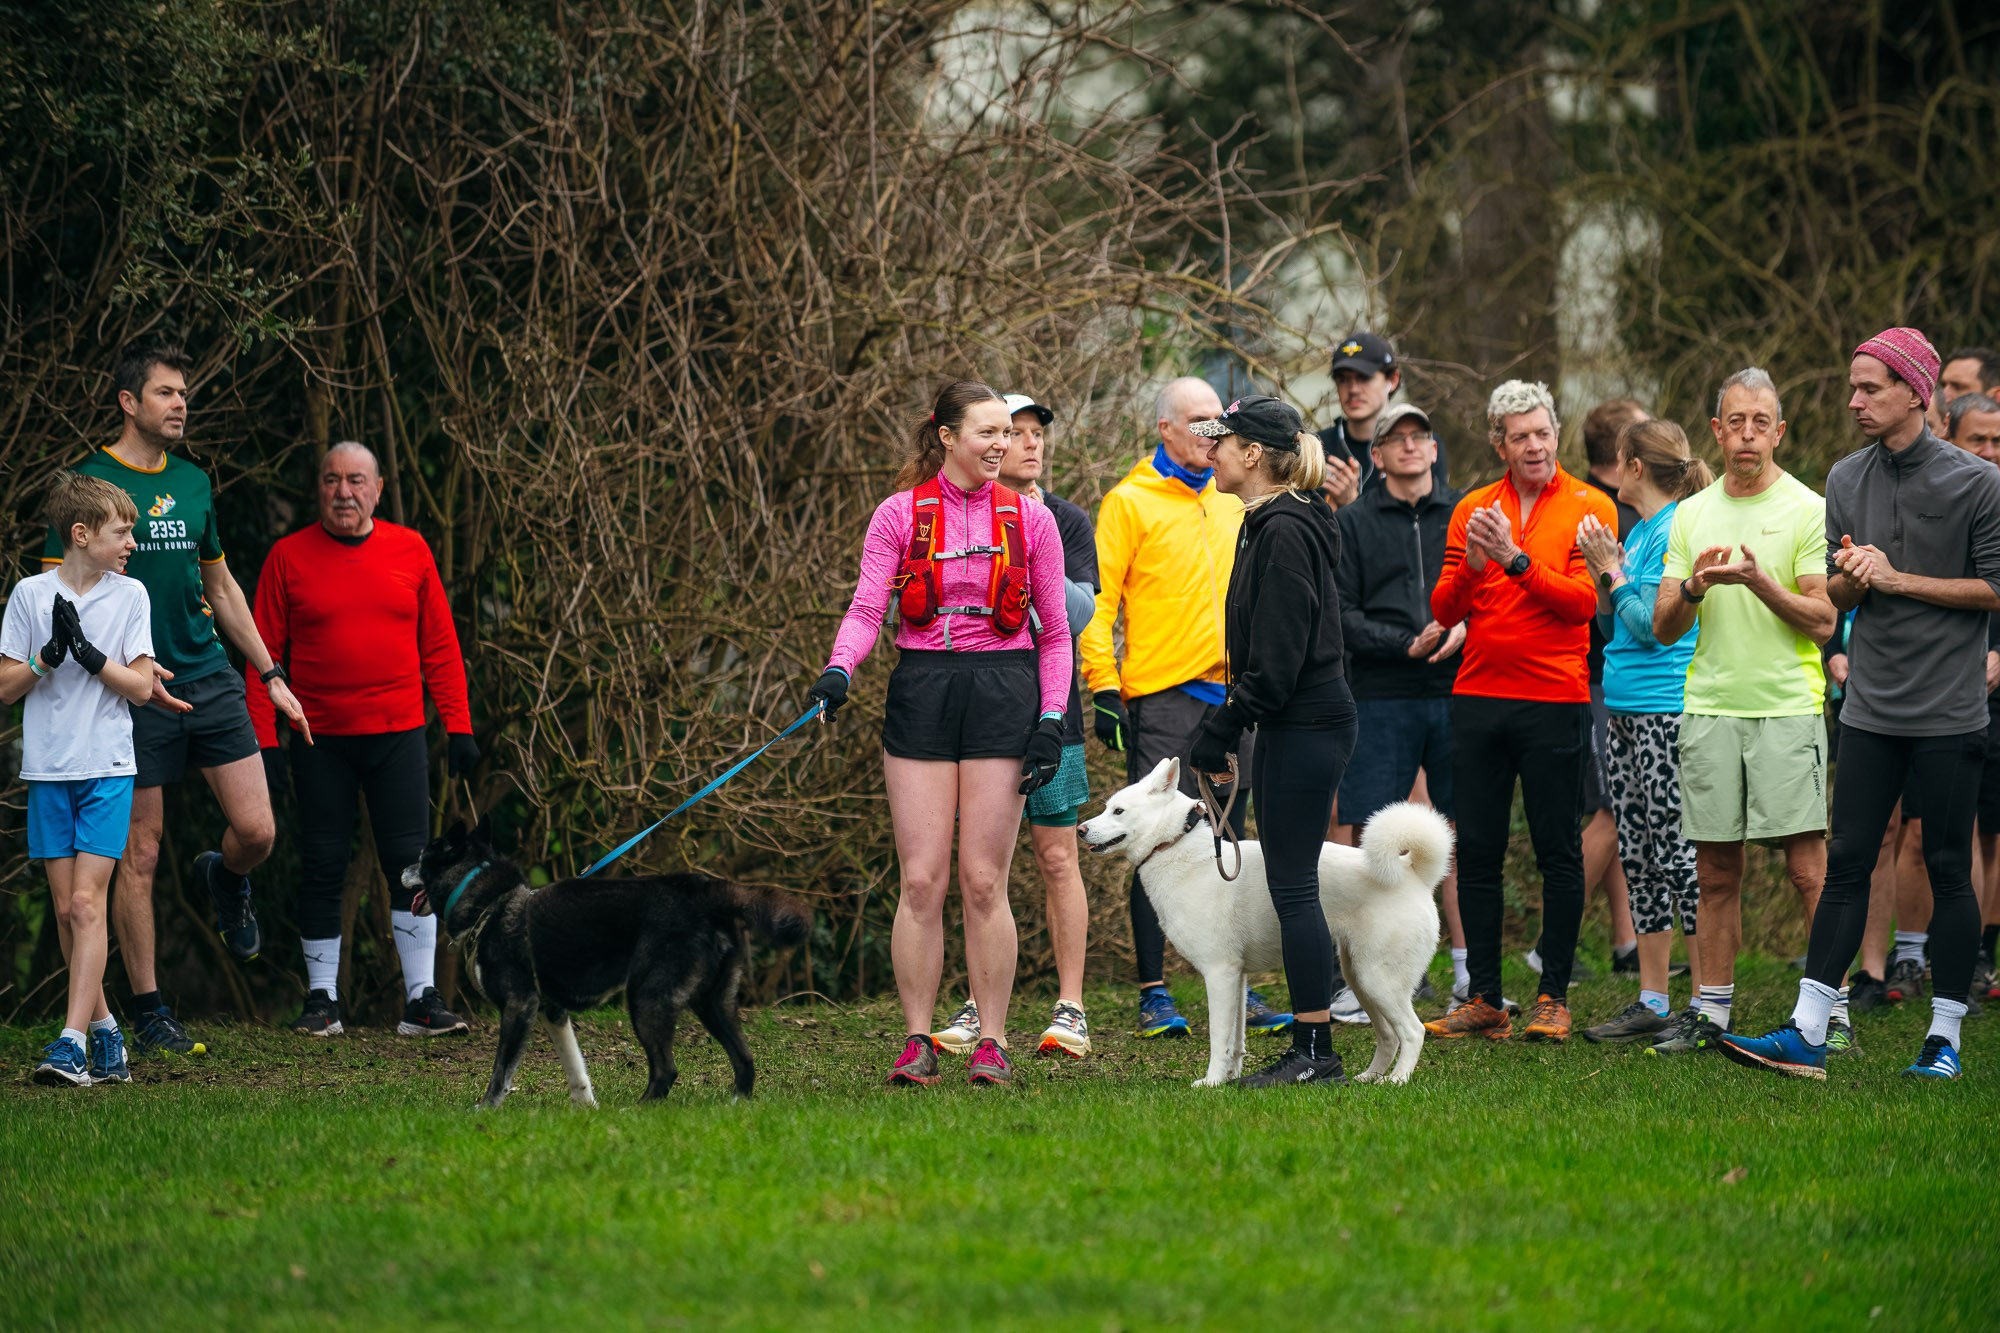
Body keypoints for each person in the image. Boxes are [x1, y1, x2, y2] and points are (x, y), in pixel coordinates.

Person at [1722, 329, 2000, 1081]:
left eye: (1871, 387)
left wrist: (1898, 576)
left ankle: (1944, 1038)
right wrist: (1847, 576)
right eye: (1852, 386)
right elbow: (1842, 592)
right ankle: (1809, 1026)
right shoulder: (1845, 477)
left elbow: (1993, 589)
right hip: (1869, 703)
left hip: (1948, 709)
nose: (1854, 400)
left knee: (1946, 865)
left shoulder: (1978, 482)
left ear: (1916, 391)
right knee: (1845, 861)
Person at [43, 344, 311, 1056]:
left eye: (183, 393)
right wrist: (120, 672)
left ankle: (225, 878)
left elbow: (220, 588)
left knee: (258, 831)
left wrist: (271, 673)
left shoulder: (194, 483)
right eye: (164, 392)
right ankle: (151, 1008)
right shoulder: (87, 483)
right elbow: (56, 597)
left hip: (209, 675)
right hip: (130, 690)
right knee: (141, 852)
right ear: (129, 402)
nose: (179, 404)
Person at [811, 380, 1072, 1088]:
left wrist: (1051, 720)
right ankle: (917, 1038)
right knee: (921, 879)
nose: (1003, 444)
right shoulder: (899, 514)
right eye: (987, 432)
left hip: (1003, 691)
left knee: (984, 879)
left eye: (1009, 433)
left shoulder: (1032, 520)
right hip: (923, 689)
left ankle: (991, 1039)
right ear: (947, 436)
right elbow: (868, 608)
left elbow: (1056, 636)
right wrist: (839, 670)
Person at [248, 442, 479, 1040]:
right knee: (323, 864)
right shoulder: (287, 557)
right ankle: (322, 1001)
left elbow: (441, 646)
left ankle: (422, 999)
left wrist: (459, 726)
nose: (343, 492)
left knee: (412, 867)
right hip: (317, 737)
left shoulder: (411, 550)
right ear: (318, 488)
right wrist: (265, 744)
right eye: (331, 480)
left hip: (397, 736)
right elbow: (261, 656)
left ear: (377, 488)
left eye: (355, 481)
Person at [1081, 377, 1283, 1040]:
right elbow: (1097, 602)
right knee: (1152, 841)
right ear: (1164, 428)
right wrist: (1103, 686)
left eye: (1215, 423)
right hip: (1161, 696)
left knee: (1229, 837)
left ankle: (1239, 990)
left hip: (1233, 696)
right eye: (1197, 421)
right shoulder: (1129, 501)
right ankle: (1153, 991)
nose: (1209, 433)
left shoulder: (1234, 499)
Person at [1650, 367, 1837, 1056]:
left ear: (1779, 431)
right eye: (1737, 421)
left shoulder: (1808, 507)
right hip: (1710, 708)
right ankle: (1713, 1012)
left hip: (1787, 707)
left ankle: (1830, 1013)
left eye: (1762, 421)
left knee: (1807, 871)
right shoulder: (1691, 515)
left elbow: (1823, 620)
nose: (1749, 434)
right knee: (1716, 872)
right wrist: (1696, 584)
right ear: (1717, 430)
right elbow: (1664, 625)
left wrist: (1760, 581)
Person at [1421, 380, 1615, 1043]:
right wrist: (1477, 563)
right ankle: (1484, 997)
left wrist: (1515, 559)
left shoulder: (1592, 507)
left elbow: (1582, 604)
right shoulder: (1473, 507)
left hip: (1556, 698)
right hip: (1478, 698)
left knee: (1557, 849)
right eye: (1520, 435)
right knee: (1475, 850)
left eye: (1542, 432)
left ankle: (1553, 996)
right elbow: (1446, 609)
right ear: (1497, 442)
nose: (1533, 445)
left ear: (1555, 434)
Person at [1185, 395, 1355, 1085]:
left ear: (1253, 453)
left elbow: (1277, 664)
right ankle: (1313, 1043)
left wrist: (1219, 727)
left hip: (1306, 721)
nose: (1210, 451)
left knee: (1291, 885)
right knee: (1292, 882)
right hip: (1299, 722)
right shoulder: (1268, 523)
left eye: (1220, 440)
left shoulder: (1284, 529)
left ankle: (1315, 1050)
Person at [933, 393, 1101, 1059]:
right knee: (982, 867)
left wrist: (1033, 538)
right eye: (1014, 432)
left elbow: (1079, 613)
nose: (1028, 444)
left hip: (1055, 713)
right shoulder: (957, 516)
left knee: (1058, 856)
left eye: (1036, 434)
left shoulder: (1067, 519)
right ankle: (979, 1005)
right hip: (980, 717)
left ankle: (1072, 1006)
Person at [4, 474, 159, 1085]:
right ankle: (107, 1033)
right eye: (122, 532)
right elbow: (5, 686)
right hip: (47, 768)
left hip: (107, 768)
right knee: (69, 916)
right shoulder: (28, 595)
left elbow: (144, 689)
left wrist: (92, 657)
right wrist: (48, 656)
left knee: (86, 903)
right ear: (81, 534)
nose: (130, 543)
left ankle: (71, 1045)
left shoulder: (131, 596)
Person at [1329, 403, 1482, 1015]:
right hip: (1382, 695)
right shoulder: (1355, 523)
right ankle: (1366, 979)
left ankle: (1474, 978)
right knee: (1372, 840)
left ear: (1434, 449)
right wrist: (1401, 644)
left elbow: (1490, 594)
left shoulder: (1463, 515)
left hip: (1456, 691)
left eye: (1421, 437)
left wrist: (1465, 627)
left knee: (1464, 831)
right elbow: (1341, 616)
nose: (1411, 447)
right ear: (1379, 455)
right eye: (1398, 439)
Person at [1574, 420, 1711, 1043]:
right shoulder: (1639, 532)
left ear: (1632, 467)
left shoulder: (1676, 529)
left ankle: (1707, 1003)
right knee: (1640, 855)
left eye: (1617, 459)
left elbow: (1658, 626)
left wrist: (1613, 570)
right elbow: (1615, 628)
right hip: (1625, 711)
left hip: (1666, 711)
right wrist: (1607, 572)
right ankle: (1652, 1000)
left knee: (1682, 857)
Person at [1571, 399, 1646, 978]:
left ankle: (1628, 941)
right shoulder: (1604, 514)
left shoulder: (1627, 509)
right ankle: (1555, 937)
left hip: (1612, 679)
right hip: (1600, 679)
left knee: (1620, 809)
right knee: (1610, 810)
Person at [1317, 332, 1450, 500]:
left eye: (1364, 378)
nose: (1353, 389)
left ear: (1393, 379)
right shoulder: (1318, 449)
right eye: (1343, 379)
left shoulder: (1419, 446)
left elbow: (1430, 518)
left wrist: (1350, 506)